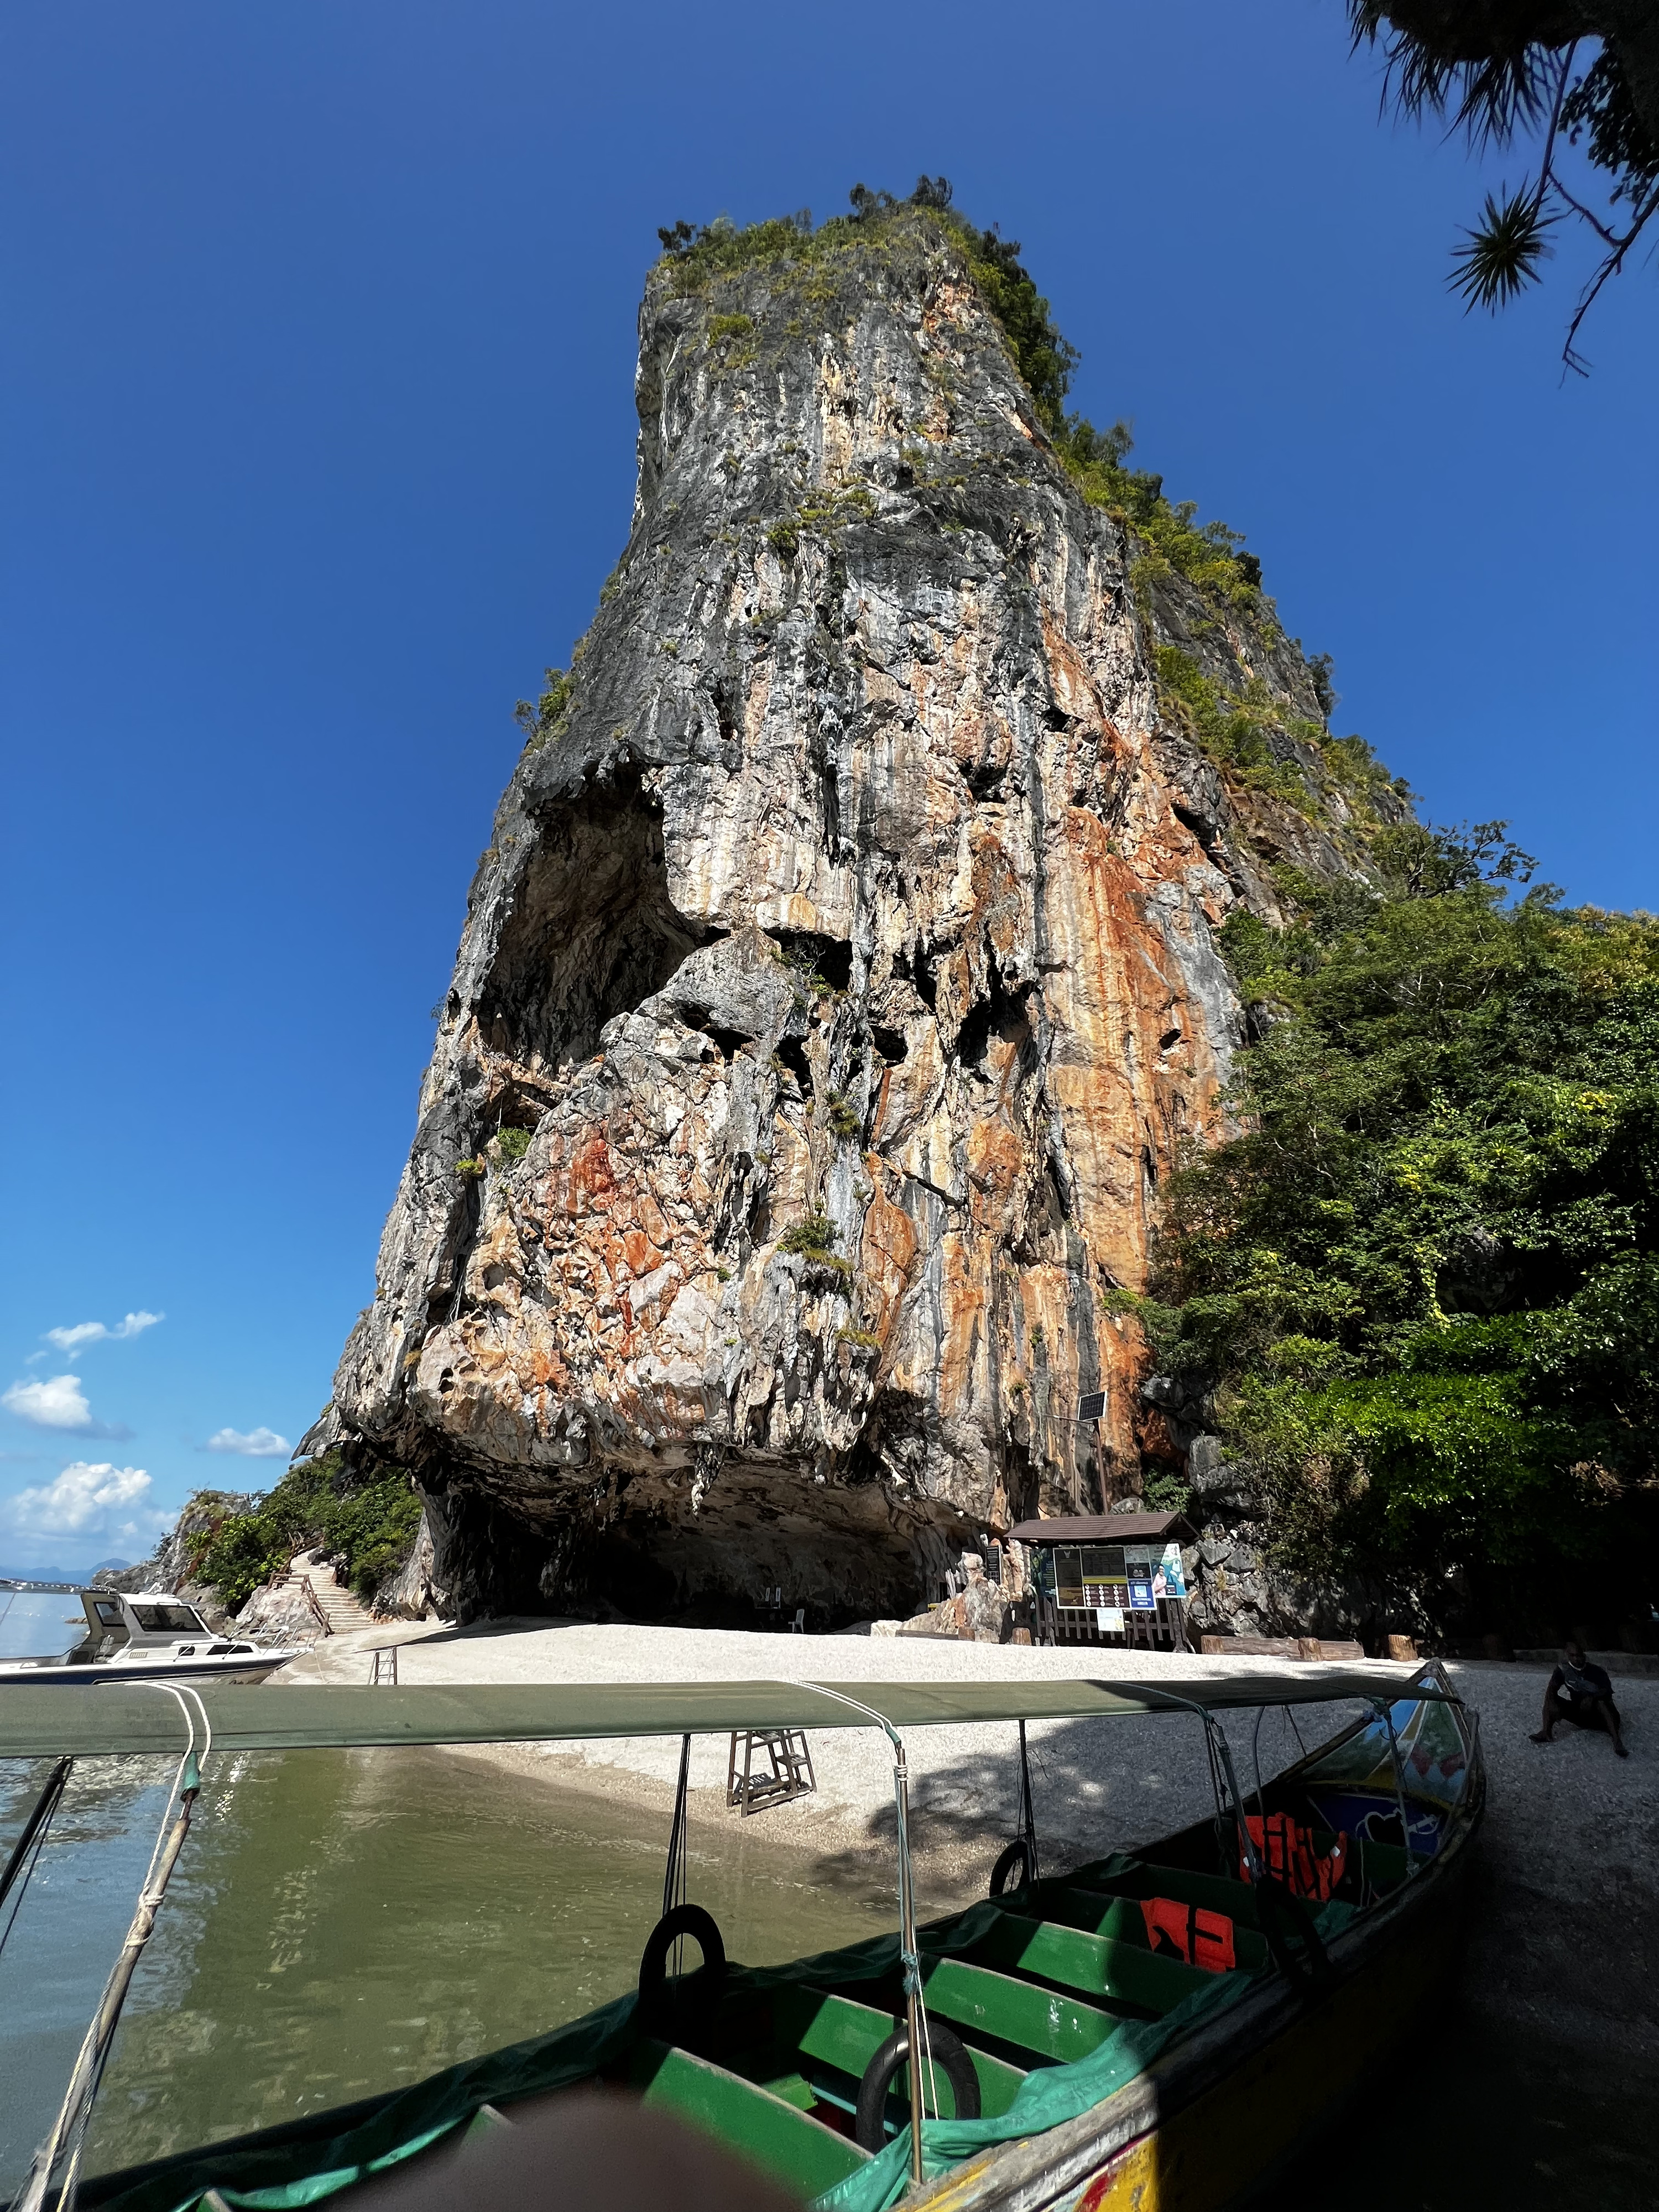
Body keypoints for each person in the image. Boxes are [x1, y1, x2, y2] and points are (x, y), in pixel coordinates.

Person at [1531, 1639, 1629, 1757]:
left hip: (1602, 1716)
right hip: (1582, 1713)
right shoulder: (1564, 1671)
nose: (1577, 1659)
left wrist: (1592, 1697)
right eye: (1572, 1656)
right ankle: (1546, 1732)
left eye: (1579, 1655)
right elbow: (1551, 1691)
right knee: (1551, 1697)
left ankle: (1617, 1740)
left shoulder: (1596, 1671)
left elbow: (1607, 1691)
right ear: (1567, 1655)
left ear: (1584, 1655)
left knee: (1601, 1703)